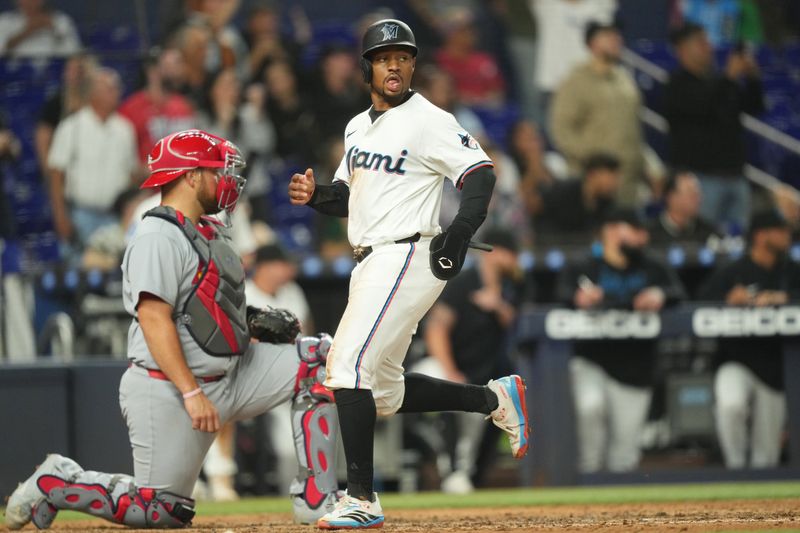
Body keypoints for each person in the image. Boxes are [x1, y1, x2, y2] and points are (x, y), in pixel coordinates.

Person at [4, 129, 341, 530]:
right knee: (159, 510)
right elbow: (153, 317)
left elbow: (203, 304)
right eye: (219, 171)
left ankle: (317, 500)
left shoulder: (208, 229)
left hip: (235, 373)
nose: (228, 181)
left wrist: (249, 320)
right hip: (169, 387)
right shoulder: (157, 234)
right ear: (191, 176)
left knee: (320, 362)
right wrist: (192, 392)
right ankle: (58, 480)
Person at [287, 19, 529, 530]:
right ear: (367, 68)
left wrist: (460, 232)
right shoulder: (357, 127)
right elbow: (349, 199)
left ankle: (362, 499)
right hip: (369, 256)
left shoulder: (429, 119)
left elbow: (481, 173)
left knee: (345, 366)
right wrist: (316, 197)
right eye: (382, 57)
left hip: (406, 254)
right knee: (383, 393)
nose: (393, 64)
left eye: (402, 56)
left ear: (413, 65)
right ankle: (493, 398)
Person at [557, 208, 686, 473]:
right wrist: (578, 300)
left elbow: (678, 292)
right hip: (592, 360)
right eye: (633, 229)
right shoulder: (584, 265)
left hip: (636, 367)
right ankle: (586, 489)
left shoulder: (652, 265)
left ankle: (618, 512)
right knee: (589, 408)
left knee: (624, 457)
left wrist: (660, 295)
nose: (642, 237)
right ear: (611, 231)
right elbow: (561, 294)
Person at [420, 228, 524, 493]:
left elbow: (517, 323)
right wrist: (451, 370)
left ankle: (464, 475)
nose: (513, 261)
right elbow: (436, 329)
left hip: (486, 376)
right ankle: (452, 470)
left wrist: (497, 305)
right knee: (446, 387)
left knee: (480, 429)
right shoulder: (463, 282)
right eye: (510, 254)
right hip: (446, 365)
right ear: (495, 252)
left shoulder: (514, 285)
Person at [699, 210, 799, 468]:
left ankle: (755, 505)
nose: (787, 236)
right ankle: (734, 470)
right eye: (780, 231)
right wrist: (728, 300)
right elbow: (699, 301)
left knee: (766, 457)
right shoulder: (734, 271)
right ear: (761, 235)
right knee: (730, 405)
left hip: (777, 369)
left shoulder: (791, 270)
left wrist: (783, 299)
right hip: (737, 361)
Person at [663, 22, 765, 232]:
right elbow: (702, 106)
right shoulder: (676, 84)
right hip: (701, 181)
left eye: (707, 42)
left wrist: (753, 77)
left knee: (739, 241)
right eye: (701, 43)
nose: (708, 47)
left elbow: (754, 107)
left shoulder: (719, 81)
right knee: (701, 237)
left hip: (735, 176)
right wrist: (729, 77)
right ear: (682, 49)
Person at [550, 21, 650, 206]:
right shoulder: (576, 81)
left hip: (628, 182)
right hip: (594, 184)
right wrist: (594, 163)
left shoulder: (625, 80)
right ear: (592, 44)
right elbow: (562, 131)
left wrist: (651, 168)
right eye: (608, 37)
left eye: (617, 36)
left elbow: (635, 130)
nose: (616, 41)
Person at [47, 67, 139, 254]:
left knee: (113, 275)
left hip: (114, 216)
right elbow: (56, 173)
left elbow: (131, 173)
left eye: (117, 88)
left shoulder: (125, 129)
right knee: (79, 275)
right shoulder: (72, 126)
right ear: (93, 93)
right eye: (110, 88)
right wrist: (60, 216)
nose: (116, 93)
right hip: (80, 215)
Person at [119, 47, 197, 163]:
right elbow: (123, 156)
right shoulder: (131, 109)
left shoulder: (184, 106)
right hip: (148, 178)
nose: (179, 71)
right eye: (173, 65)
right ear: (153, 71)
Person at [535, 152, 621, 246]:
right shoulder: (563, 192)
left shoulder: (606, 202)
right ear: (593, 174)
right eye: (610, 177)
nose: (614, 182)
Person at [647, 170, 721, 246]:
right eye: (691, 194)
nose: (698, 199)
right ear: (671, 197)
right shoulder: (648, 234)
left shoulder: (709, 232)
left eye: (698, 193)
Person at [0, 0, 81, 57]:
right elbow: (2, 51)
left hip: (54, 73)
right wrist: (27, 31)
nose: (31, 1)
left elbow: (74, 53)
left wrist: (54, 31)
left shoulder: (60, 20)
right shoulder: (5, 21)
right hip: (14, 73)